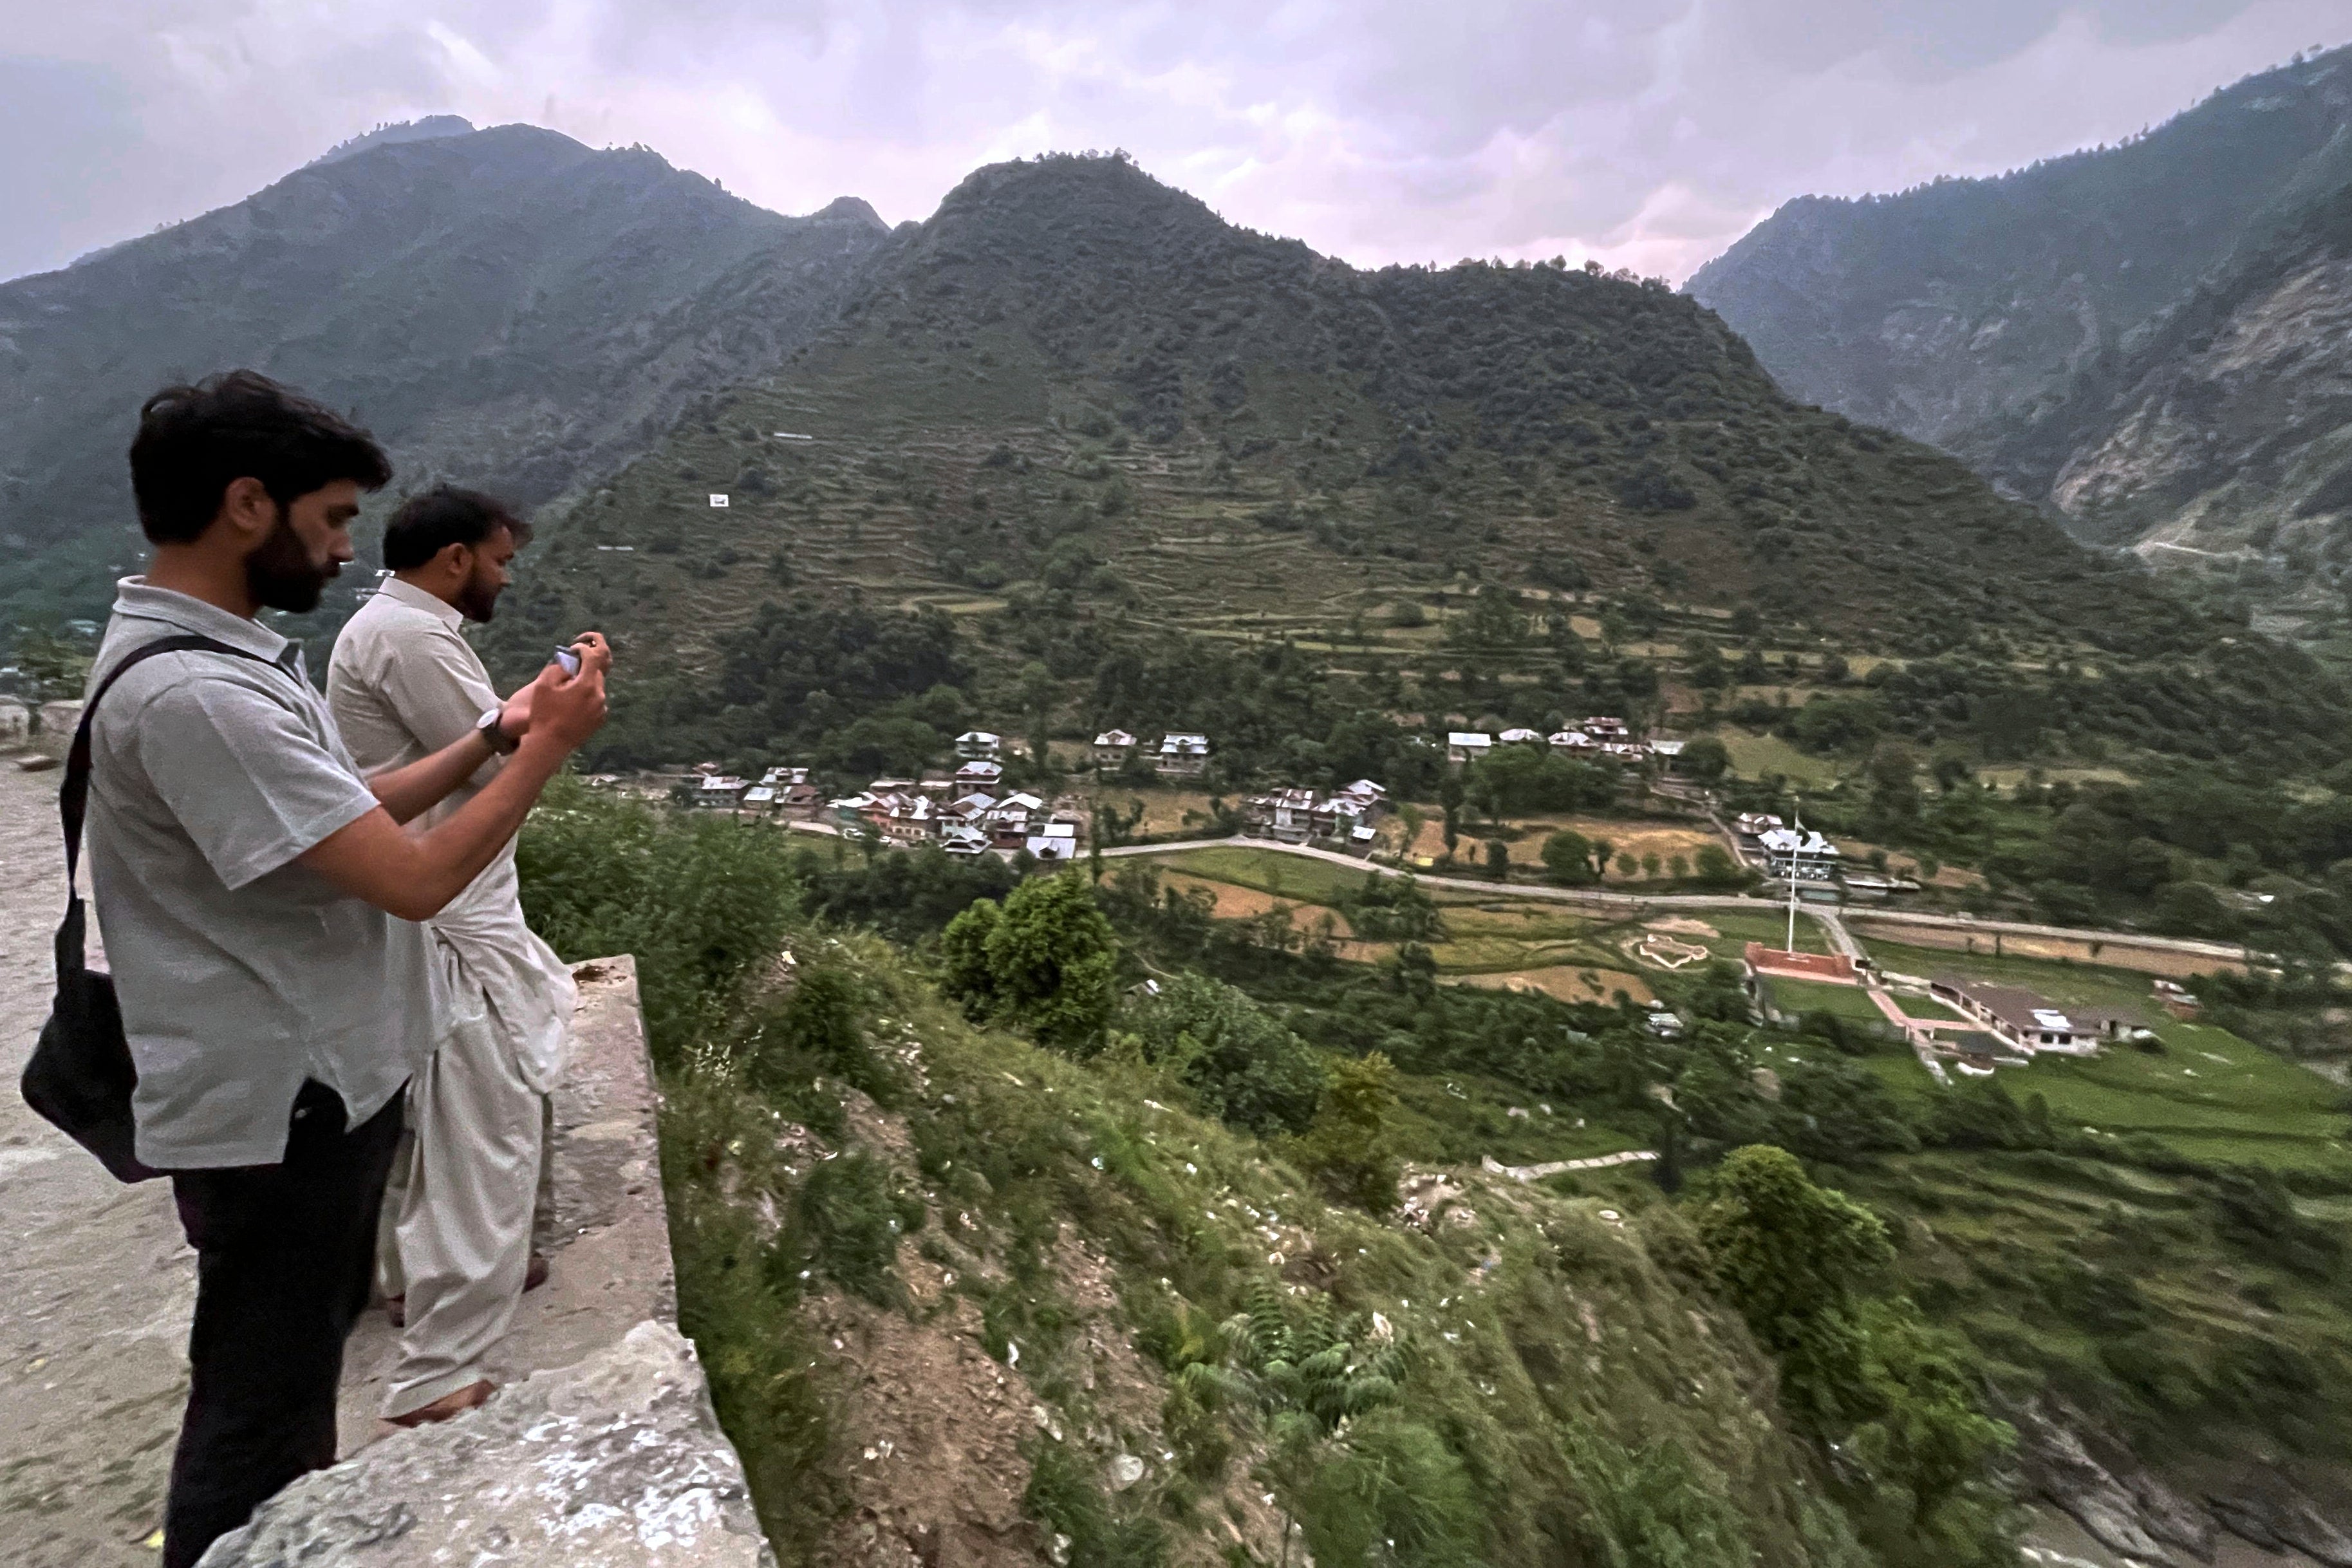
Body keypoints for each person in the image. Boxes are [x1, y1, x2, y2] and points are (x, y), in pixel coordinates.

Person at [84, 370, 608, 1568]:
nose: (339, 551)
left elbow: (348, 808)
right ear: (247, 506)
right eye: (328, 520)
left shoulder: (228, 662)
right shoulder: (196, 692)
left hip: (305, 1085)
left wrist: (495, 731)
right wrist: (548, 750)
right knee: (259, 1418)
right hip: (279, 1101)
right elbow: (411, 880)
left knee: (288, 1384)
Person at [327, 485, 584, 1427]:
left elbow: (479, 734)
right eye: (500, 561)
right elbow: (495, 760)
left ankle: (409, 1279)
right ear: (455, 559)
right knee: (487, 1127)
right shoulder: (414, 637)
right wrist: (560, 721)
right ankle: (440, 1373)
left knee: (429, 1114)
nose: (506, 578)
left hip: (430, 905)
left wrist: (537, 703)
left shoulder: (394, 627)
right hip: (449, 910)